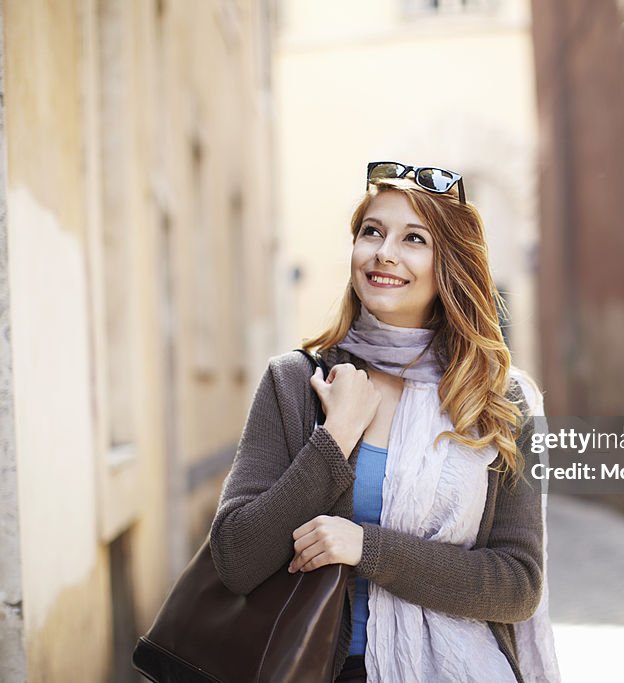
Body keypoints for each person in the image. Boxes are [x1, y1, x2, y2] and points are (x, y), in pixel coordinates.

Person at [209, 162, 561, 682]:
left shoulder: (498, 400)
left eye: (413, 238)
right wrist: (334, 440)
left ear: (450, 266)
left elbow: (517, 583)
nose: (384, 252)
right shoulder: (296, 383)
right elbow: (236, 557)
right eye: (372, 232)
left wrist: (366, 548)